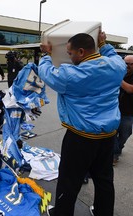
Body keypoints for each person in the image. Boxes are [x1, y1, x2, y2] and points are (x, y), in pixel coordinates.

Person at [38, 31, 126, 216]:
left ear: (80, 52)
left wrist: (46, 55)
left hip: (80, 138)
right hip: (108, 137)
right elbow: (111, 55)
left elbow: (46, 73)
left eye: (70, 53)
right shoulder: (118, 66)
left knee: (69, 179)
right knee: (104, 179)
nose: (69, 57)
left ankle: (62, 213)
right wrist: (104, 43)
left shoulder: (70, 75)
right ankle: (103, 212)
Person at [113, 55, 133, 164]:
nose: (128, 66)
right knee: (112, 133)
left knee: (126, 133)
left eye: (131, 64)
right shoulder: (119, 72)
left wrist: (117, 78)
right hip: (113, 110)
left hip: (128, 112)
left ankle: (119, 148)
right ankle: (114, 154)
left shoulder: (118, 75)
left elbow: (130, 89)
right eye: (126, 63)